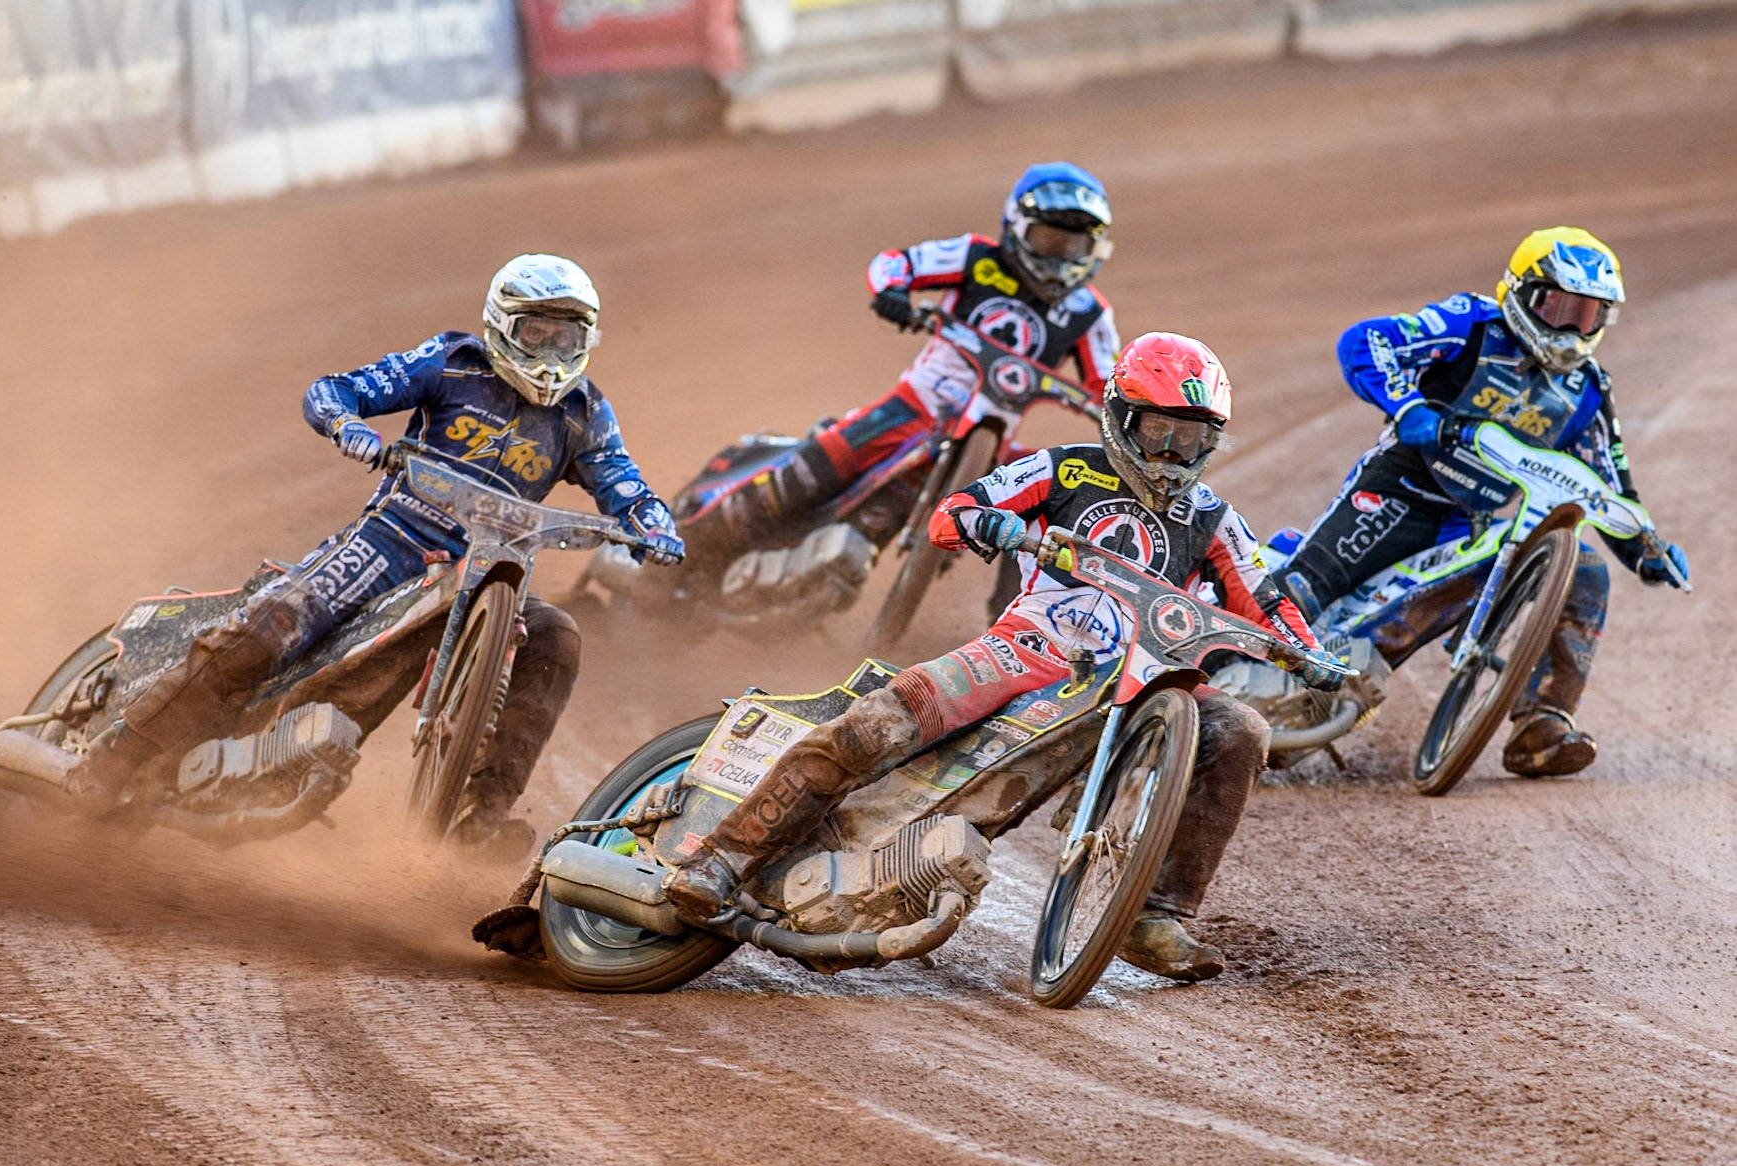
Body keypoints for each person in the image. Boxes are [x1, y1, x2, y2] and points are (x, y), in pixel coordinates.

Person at [665, 333, 1344, 981]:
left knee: (1241, 728)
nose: (1172, 452)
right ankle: (723, 856)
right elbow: (953, 512)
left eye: (1191, 438)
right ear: (1121, 416)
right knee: (877, 724)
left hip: (1143, 678)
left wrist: (1310, 655)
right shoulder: (1065, 467)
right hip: (1025, 649)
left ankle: (1155, 914)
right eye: (1159, 431)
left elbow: (1265, 599)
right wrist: (991, 523)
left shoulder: (1215, 519)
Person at [67, 254, 684, 845]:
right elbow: (334, 390)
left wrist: (655, 526)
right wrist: (349, 426)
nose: (550, 355)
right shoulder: (453, 362)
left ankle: (480, 815)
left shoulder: (584, 412)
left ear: (586, 339)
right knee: (270, 628)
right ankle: (115, 755)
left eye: (564, 338)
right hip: (392, 541)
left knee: (557, 638)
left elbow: (625, 484)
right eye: (536, 334)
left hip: (492, 572)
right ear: (502, 326)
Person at [1270, 227, 1689, 778]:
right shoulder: (1471, 323)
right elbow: (1365, 341)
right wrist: (1408, 407)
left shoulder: (1588, 390)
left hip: (1474, 528)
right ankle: (1212, 685)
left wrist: (1645, 550)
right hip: (1400, 489)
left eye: (1587, 315)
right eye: (1558, 307)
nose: (1570, 328)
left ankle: (1542, 725)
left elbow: (1607, 484)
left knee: (1583, 567)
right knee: (1304, 589)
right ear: (1520, 293)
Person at [677, 161, 1122, 562]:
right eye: (1049, 241)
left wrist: (1121, 418)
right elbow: (895, 264)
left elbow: (1111, 387)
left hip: (991, 442)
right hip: (913, 405)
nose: (1060, 260)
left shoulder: (1091, 314)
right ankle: (682, 554)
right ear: (1017, 227)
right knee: (800, 479)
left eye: (1074, 247)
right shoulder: (975, 257)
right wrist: (891, 293)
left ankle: (1012, 616)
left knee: (1050, 503)